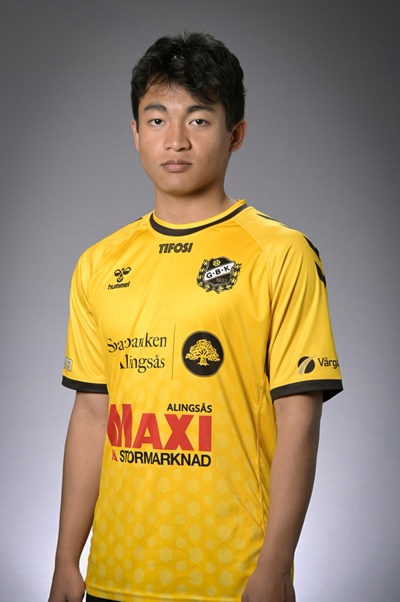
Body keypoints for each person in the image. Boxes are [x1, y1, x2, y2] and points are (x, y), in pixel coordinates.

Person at [49, 31, 343, 602]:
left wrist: (274, 568)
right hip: (115, 576)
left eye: (199, 119)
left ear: (236, 134)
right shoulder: (98, 263)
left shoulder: (281, 254)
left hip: (235, 579)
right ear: (136, 133)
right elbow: (90, 414)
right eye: (157, 119)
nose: (175, 140)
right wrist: (65, 558)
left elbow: (299, 419)